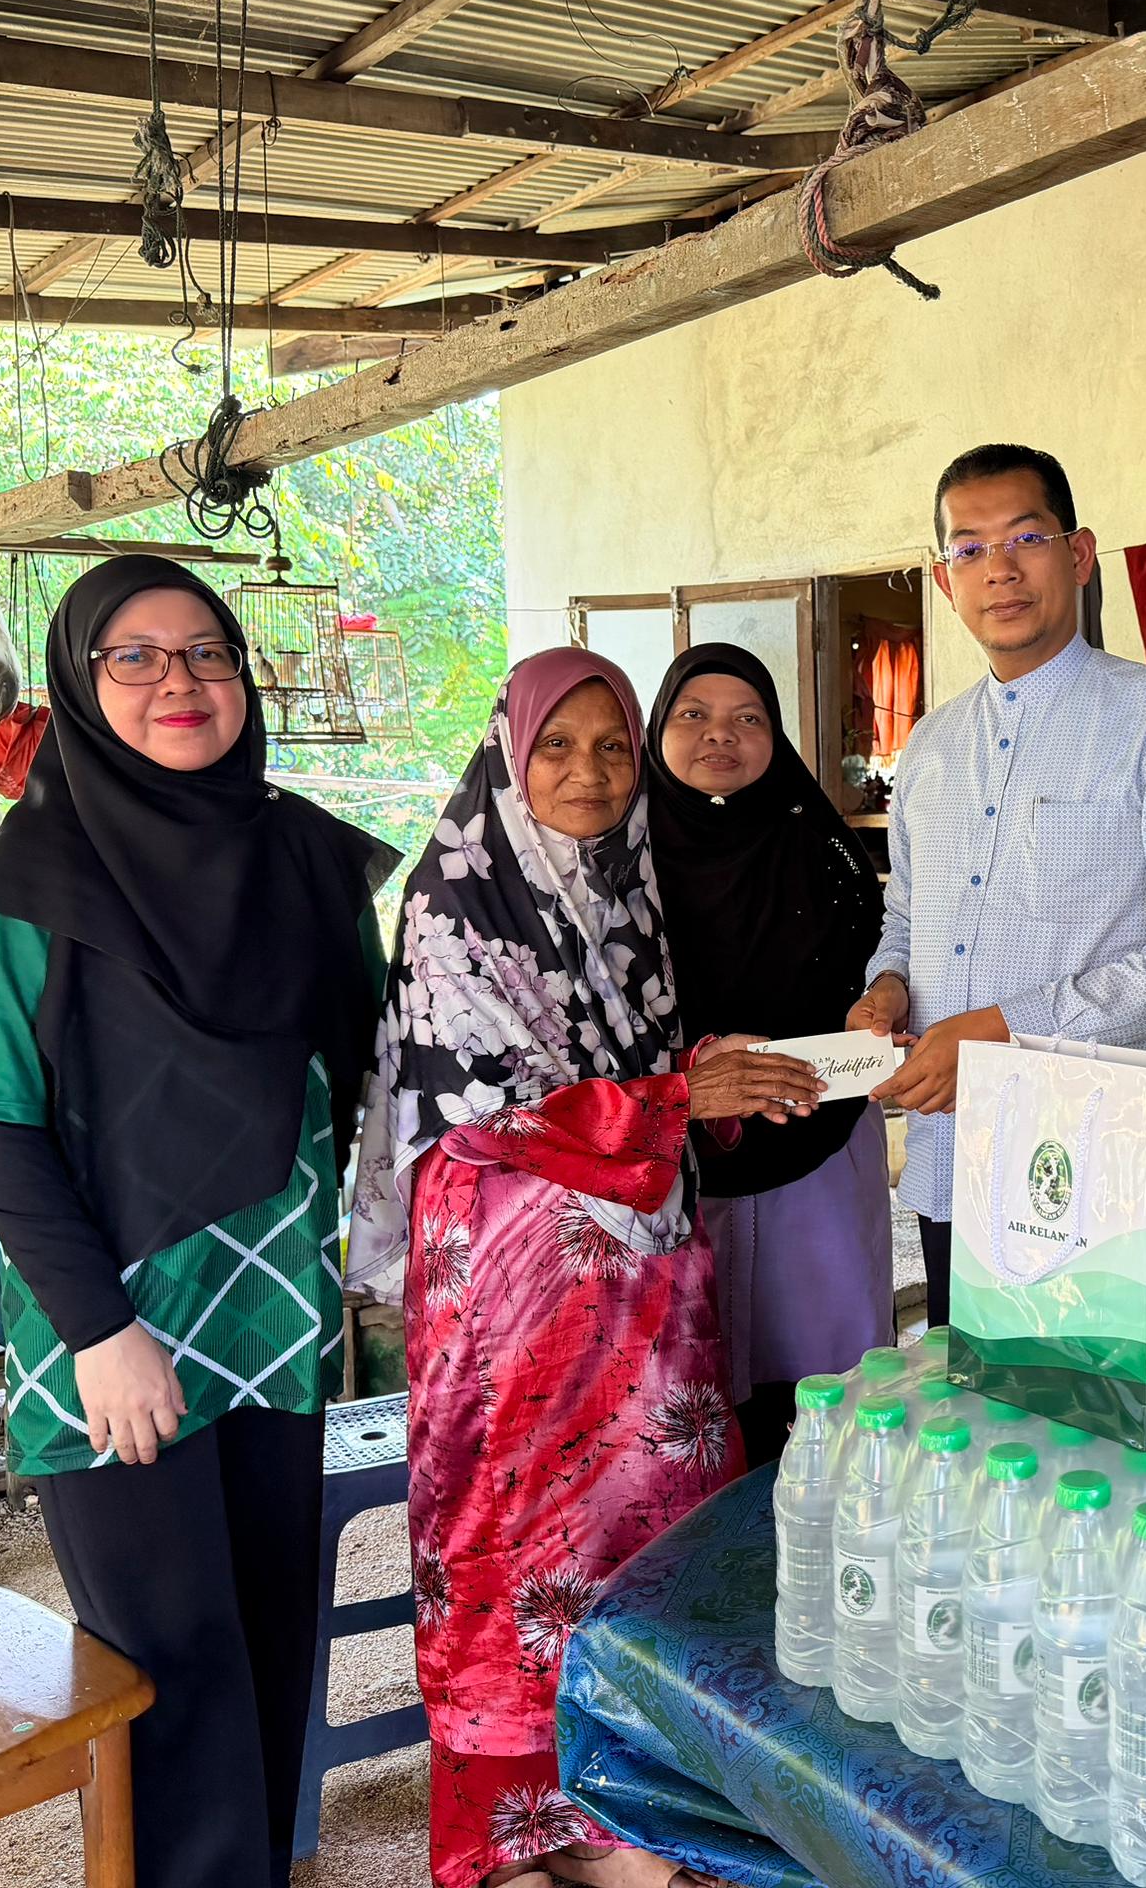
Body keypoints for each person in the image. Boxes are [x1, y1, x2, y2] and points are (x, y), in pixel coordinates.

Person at [0, 555, 396, 1888]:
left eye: (205, 652)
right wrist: (100, 1331)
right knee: (170, 1668)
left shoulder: (301, 856)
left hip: (273, 1311)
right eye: (135, 656)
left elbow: (368, 1061)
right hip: (113, 1326)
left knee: (274, 1639)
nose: (178, 681)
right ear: (81, 682)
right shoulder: (33, 883)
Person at [350, 649, 825, 1888]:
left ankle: (629, 1818)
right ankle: (519, 1829)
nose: (590, 772)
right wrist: (673, 1099)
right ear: (510, 758)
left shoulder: (630, 889)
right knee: (520, 1545)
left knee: (647, 1530)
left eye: (613, 746)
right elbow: (487, 1116)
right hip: (514, 1286)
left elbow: (632, 1070)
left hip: (642, 1287)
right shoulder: (456, 899)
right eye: (557, 746)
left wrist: (713, 1082)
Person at [848, 443, 1146, 1324]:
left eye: (1026, 537)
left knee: (1094, 1402)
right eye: (969, 548)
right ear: (944, 579)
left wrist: (1005, 1031)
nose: (999, 569)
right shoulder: (931, 746)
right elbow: (904, 917)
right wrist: (887, 987)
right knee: (967, 1396)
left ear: (1079, 553)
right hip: (953, 1155)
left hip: (1098, 1156)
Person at [646, 642, 891, 1465]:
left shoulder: (819, 847)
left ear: (775, 737)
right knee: (691, 1396)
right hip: (673, 1164)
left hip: (819, 1145)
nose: (721, 734)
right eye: (694, 715)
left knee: (830, 1392)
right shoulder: (613, 859)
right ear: (659, 729)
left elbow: (884, 965)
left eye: (747, 718)